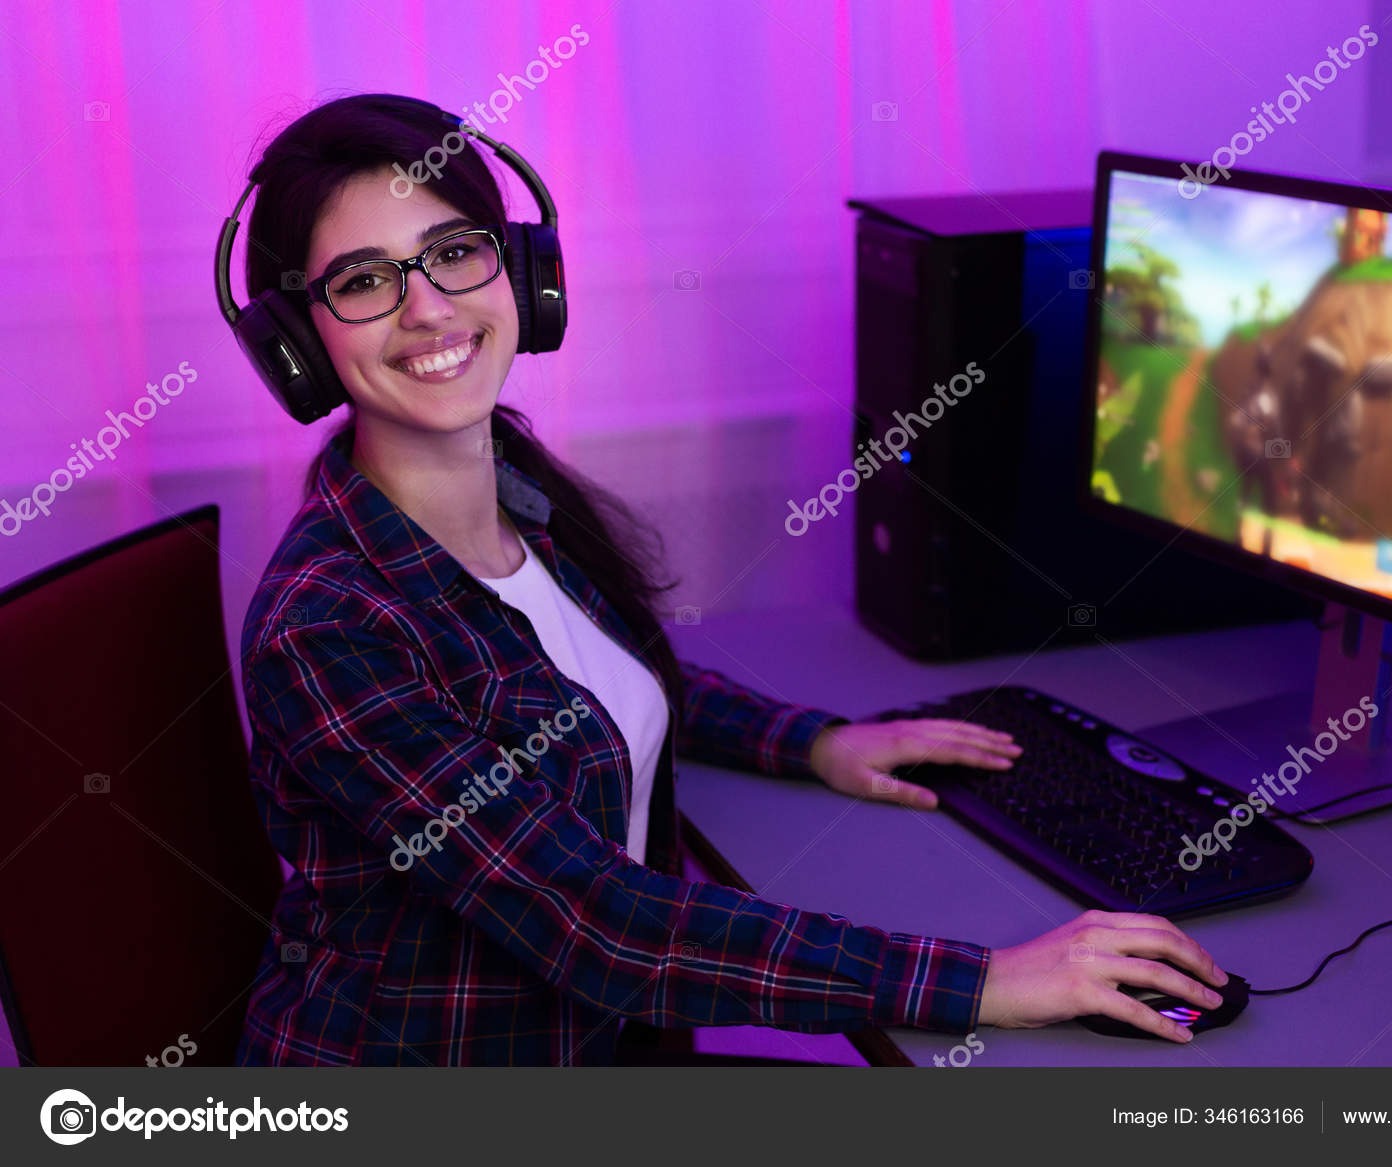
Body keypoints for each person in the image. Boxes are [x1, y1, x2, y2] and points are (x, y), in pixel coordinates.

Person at [230, 93, 1228, 1066]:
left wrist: (819, 743)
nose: (426, 308)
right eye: (363, 281)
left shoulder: (514, 490)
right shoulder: (329, 626)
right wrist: (984, 984)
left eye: (454, 252)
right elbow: (599, 926)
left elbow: (583, 680)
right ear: (297, 342)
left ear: (522, 272)